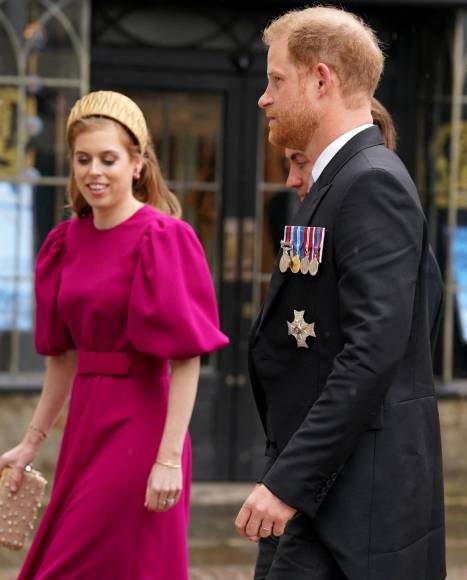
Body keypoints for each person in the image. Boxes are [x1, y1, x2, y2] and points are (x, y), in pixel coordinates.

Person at [236, 7, 445, 580]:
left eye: (276, 79)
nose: (264, 97)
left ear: (321, 79)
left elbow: (374, 352)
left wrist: (287, 481)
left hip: (350, 511)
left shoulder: (370, 181)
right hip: (320, 495)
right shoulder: (342, 179)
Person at [0, 90, 228, 579]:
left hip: (144, 424)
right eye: (83, 160)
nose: (94, 172)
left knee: (78, 565)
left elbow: (188, 358)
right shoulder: (64, 241)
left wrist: (169, 459)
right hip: (86, 422)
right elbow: (62, 359)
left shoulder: (163, 238)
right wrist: (31, 442)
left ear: (138, 165)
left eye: (109, 159)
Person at [284, 100, 444, 353]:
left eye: (301, 161)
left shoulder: (382, 207)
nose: (291, 180)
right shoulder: (317, 225)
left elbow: (379, 350)